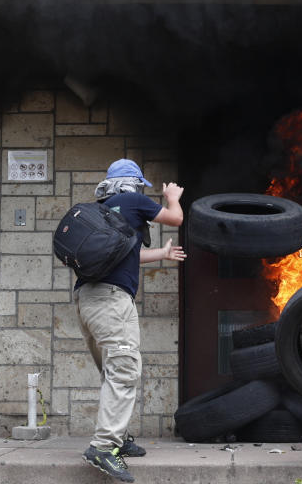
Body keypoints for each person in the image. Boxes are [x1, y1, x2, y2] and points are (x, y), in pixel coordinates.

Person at [78, 159, 185, 483]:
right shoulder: (134, 201)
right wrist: (172, 196)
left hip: (87, 302)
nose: (142, 192)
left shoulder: (104, 209)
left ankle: (118, 436)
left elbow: (130, 254)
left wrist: (162, 255)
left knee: (113, 370)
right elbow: (176, 219)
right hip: (112, 302)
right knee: (124, 369)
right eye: (140, 186)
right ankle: (103, 447)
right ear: (133, 184)